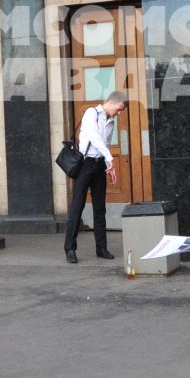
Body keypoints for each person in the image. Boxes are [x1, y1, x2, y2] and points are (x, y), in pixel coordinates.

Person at [64, 91, 125, 264]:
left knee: (100, 208)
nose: (119, 114)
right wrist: (111, 158)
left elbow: (104, 145)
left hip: (99, 166)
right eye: (119, 109)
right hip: (85, 164)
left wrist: (108, 165)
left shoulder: (111, 121)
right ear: (112, 103)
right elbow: (94, 137)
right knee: (78, 205)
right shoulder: (91, 113)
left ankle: (101, 248)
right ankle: (70, 248)